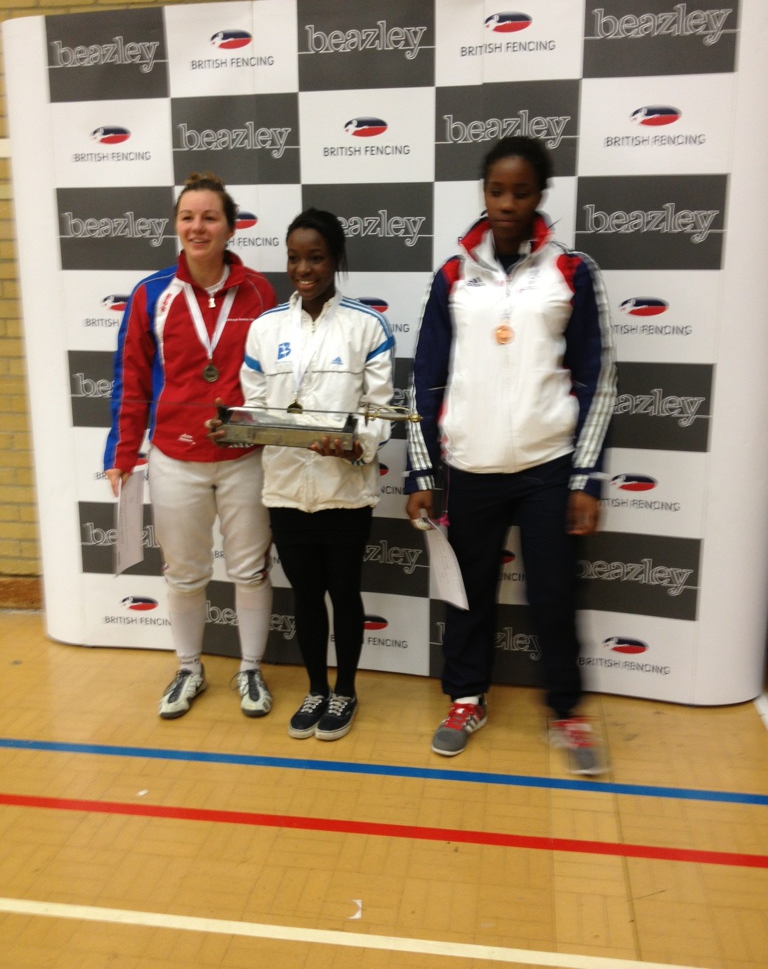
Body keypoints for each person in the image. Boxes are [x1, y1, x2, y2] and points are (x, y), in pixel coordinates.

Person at [404, 136, 617, 774]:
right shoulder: (453, 276)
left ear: (540, 196)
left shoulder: (572, 271)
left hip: (549, 466)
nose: (506, 203)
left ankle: (566, 711)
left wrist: (586, 477)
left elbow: (599, 378)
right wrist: (422, 469)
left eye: (520, 192)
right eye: (497, 191)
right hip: (471, 466)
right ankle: (466, 699)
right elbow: (425, 380)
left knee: (554, 593)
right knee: (468, 594)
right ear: (484, 193)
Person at [104, 172, 277, 720]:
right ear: (176, 226)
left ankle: (250, 669)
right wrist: (121, 454)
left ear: (230, 227)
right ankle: (188, 667)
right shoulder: (150, 294)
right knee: (183, 574)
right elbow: (131, 379)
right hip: (174, 458)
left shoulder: (259, 292)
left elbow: (274, 377)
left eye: (209, 217)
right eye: (187, 217)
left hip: (245, 456)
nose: (197, 227)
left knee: (250, 570)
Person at [239, 208, 395, 741]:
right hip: (285, 488)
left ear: (336, 259)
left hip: (344, 489)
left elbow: (380, 411)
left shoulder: (366, 326)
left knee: (344, 593)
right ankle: (315, 689)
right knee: (305, 596)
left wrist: (354, 446)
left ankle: (345, 690)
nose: (303, 269)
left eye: (316, 257)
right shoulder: (264, 329)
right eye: (294, 257)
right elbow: (255, 409)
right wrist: (236, 426)